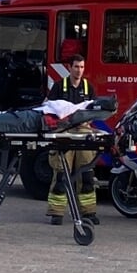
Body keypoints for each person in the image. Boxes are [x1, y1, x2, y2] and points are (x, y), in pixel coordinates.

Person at [44, 55, 98, 226]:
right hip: (64, 131)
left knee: (86, 173)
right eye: (76, 67)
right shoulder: (59, 87)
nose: (79, 70)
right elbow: (49, 108)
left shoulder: (89, 87)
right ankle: (56, 213)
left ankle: (88, 212)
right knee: (61, 172)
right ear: (69, 68)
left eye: (82, 67)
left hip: (83, 130)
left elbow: (95, 109)